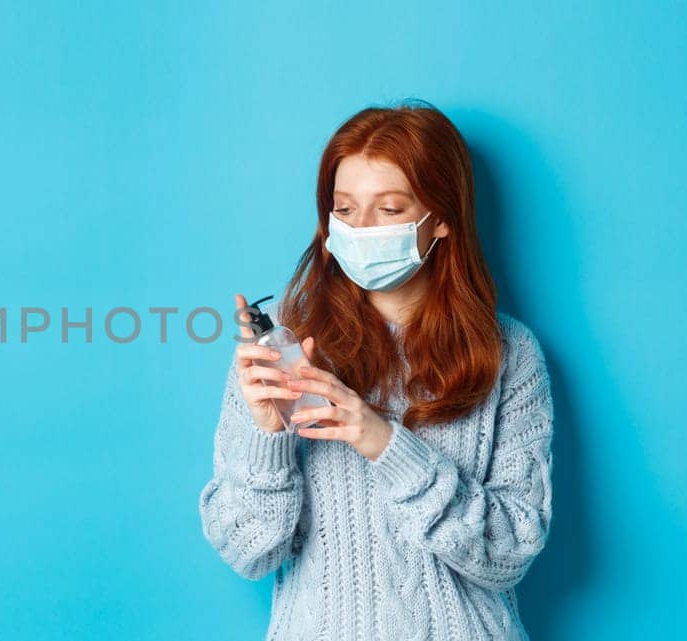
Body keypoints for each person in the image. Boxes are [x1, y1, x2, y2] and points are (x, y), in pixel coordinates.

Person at [198, 99, 555, 641]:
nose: (361, 229)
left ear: (441, 222)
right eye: (344, 210)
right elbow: (247, 551)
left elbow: (508, 553)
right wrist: (269, 436)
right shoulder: (280, 351)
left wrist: (384, 443)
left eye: (389, 210)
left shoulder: (509, 353)